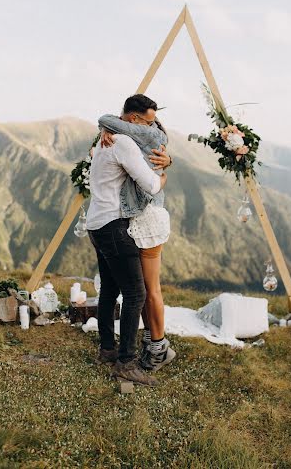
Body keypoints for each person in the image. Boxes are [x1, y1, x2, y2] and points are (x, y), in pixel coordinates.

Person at [86, 99, 170, 387]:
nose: (152, 128)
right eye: (148, 123)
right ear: (133, 119)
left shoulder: (106, 139)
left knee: (110, 289)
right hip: (114, 225)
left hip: (96, 223)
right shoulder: (123, 142)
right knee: (136, 295)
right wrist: (164, 178)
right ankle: (126, 363)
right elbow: (150, 184)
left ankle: (107, 348)